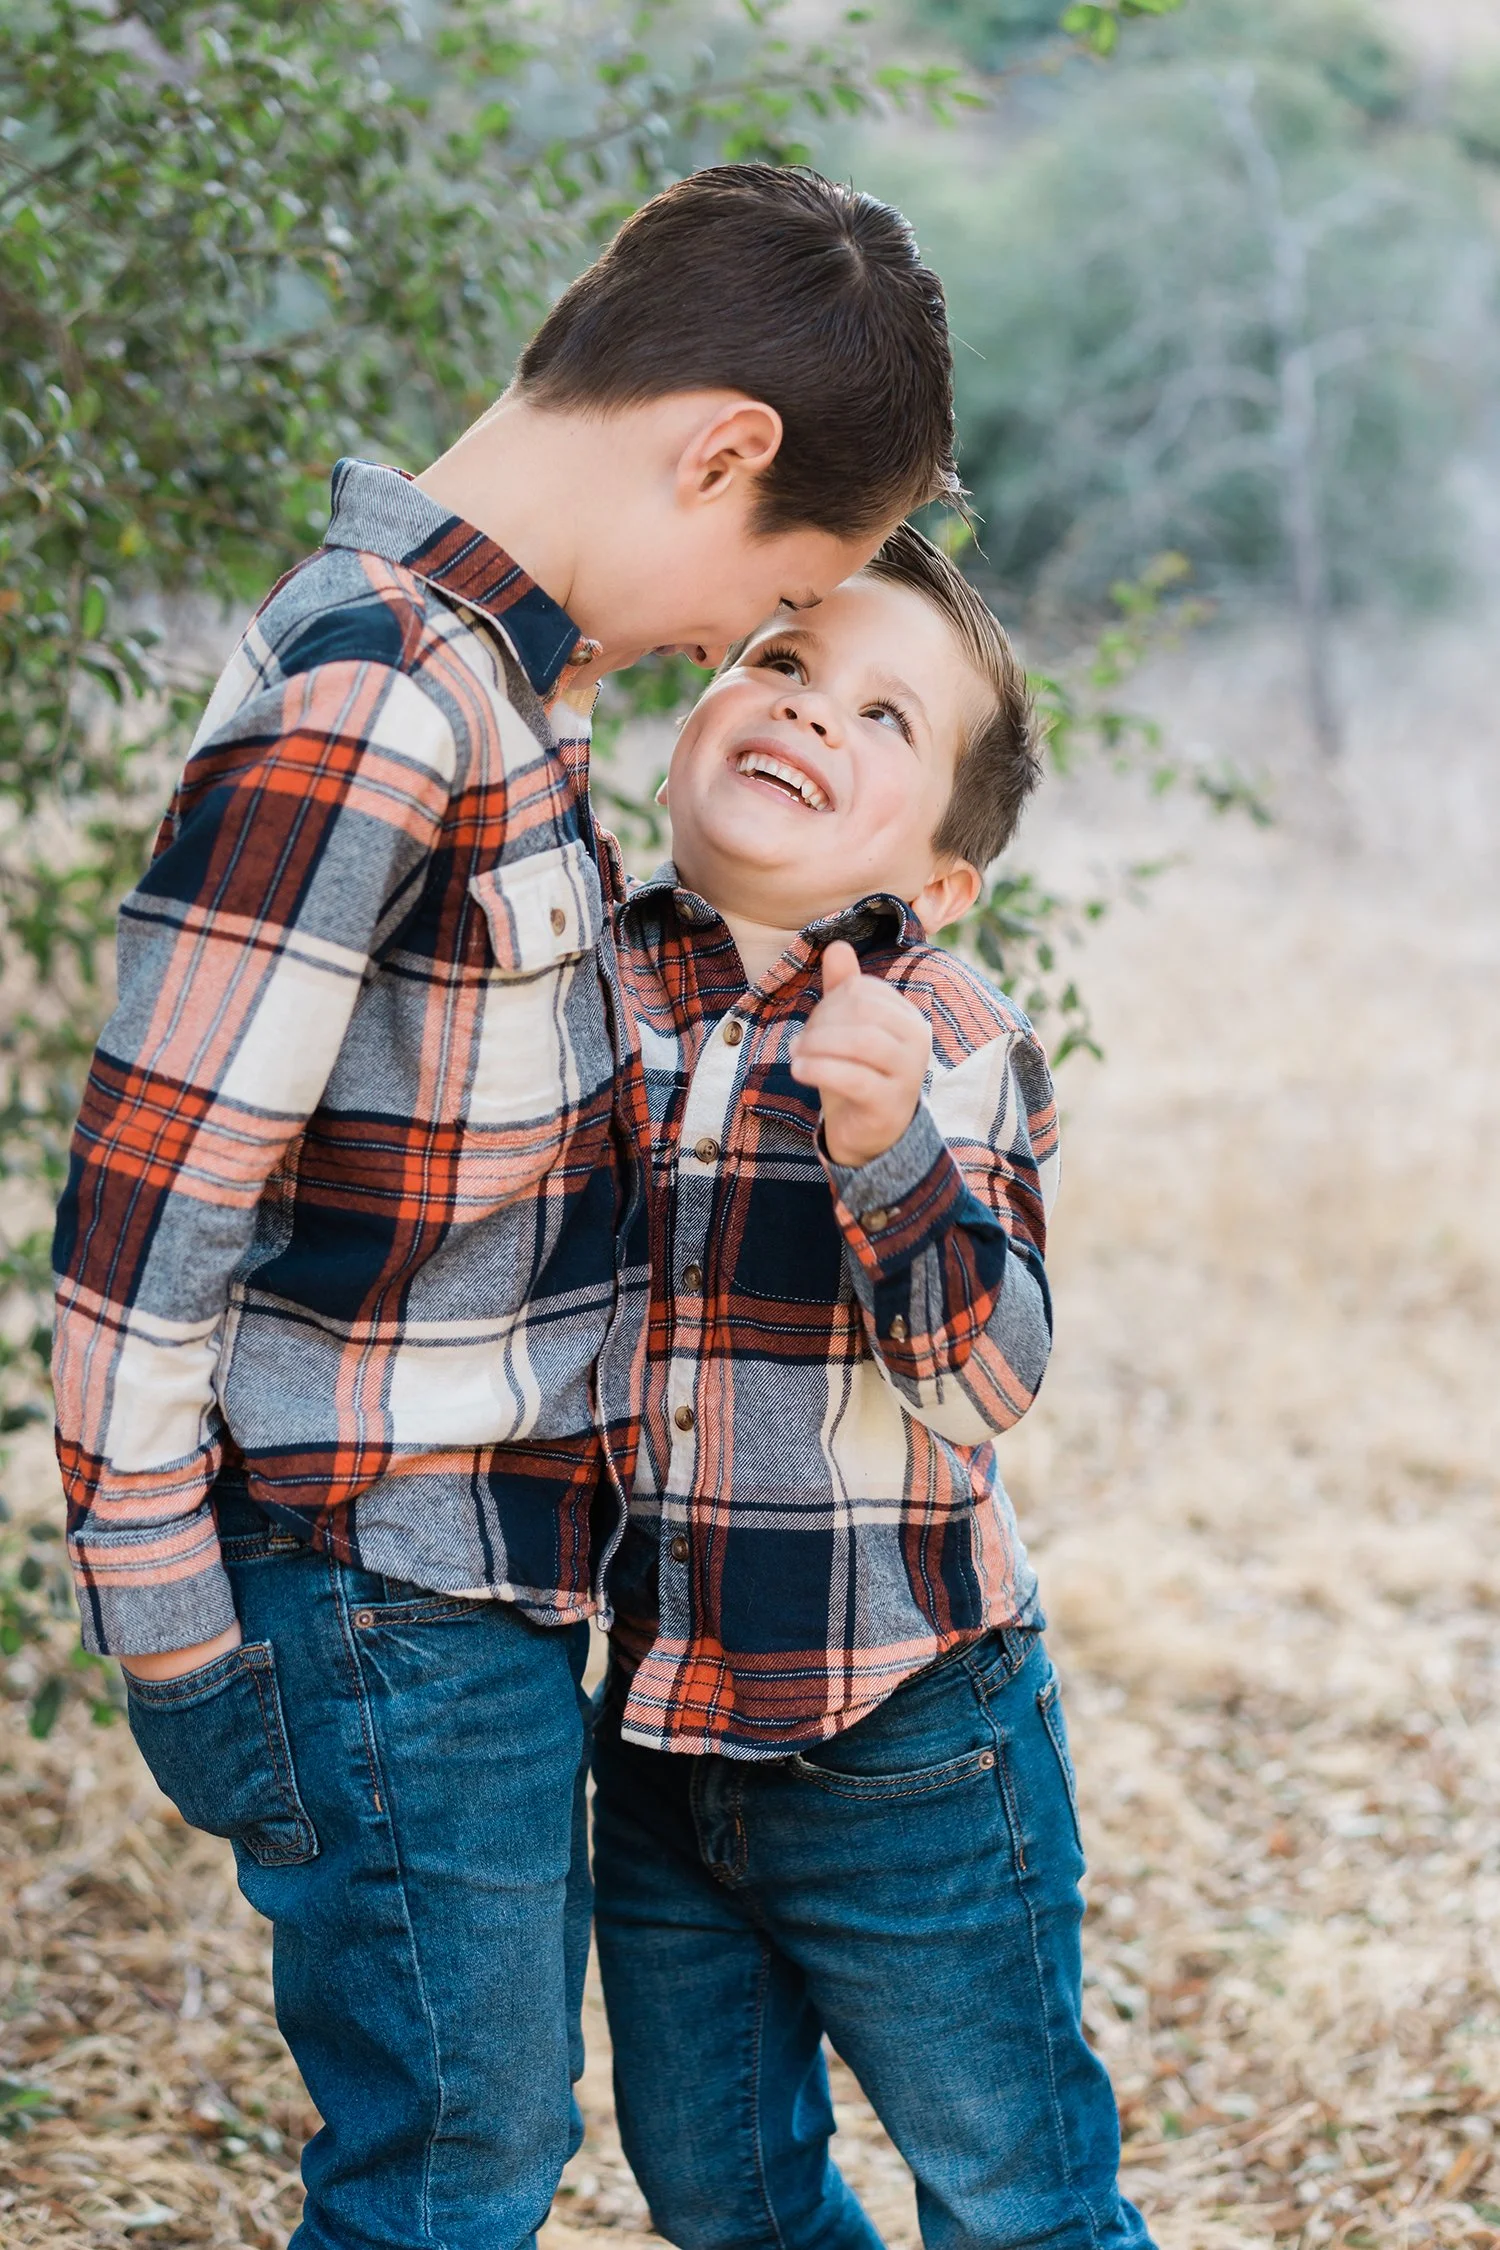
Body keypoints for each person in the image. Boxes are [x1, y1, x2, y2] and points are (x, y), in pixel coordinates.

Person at [50, 167, 958, 2250]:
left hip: (465, 1578)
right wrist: (172, 1628)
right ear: (721, 449)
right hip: (373, 1581)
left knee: (472, 2138)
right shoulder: (384, 705)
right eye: (757, 603)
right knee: (453, 2161)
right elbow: (150, 1201)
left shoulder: (494, 695)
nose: (721, 658)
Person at [594, 523, 1155, 2250]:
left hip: (904, 1729)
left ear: (943, 872)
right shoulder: (595, 989)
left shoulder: (950, 1040)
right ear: (699, 700)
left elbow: (987, 1382)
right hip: (650, 1731)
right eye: (782, 662)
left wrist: (882, 1142)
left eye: (885, 716)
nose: (814, 713)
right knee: (720, 2191)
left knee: (1013, 2191)